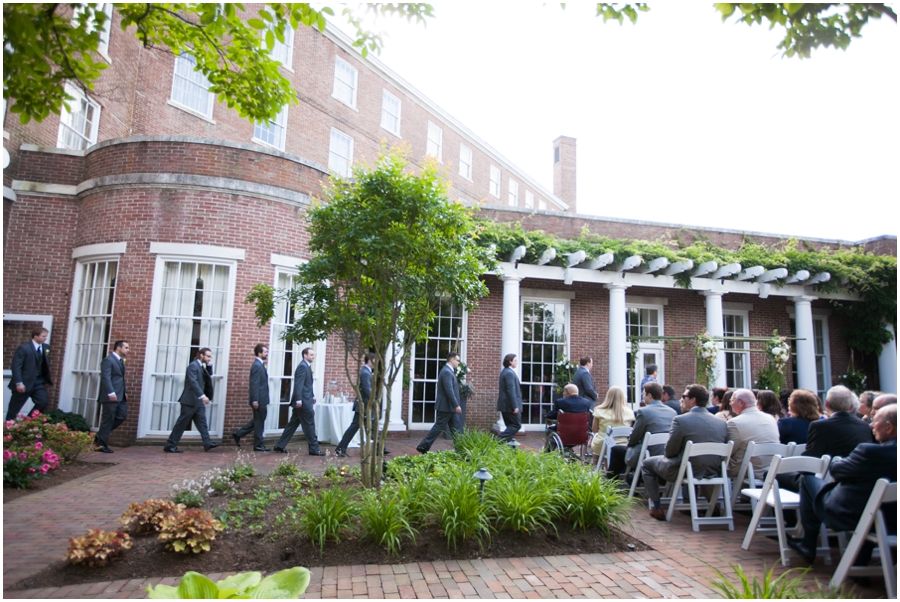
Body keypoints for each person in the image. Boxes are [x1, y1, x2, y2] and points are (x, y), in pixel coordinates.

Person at [787, 404, 897, 565]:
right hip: (890, 519)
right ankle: (859, 562)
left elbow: (837, 471)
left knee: (808, 480)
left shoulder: (870, 452)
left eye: (875, 421)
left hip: (851, 514)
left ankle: (807, 543)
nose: (871, 425)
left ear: (889, 427)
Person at [641, 384, 728, 520]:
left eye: (684, 397)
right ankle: (709, 505)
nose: (681, 400)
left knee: (646, 464)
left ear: (693, 400)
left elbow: (669, 451)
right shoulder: (721, 423)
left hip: (686, 469)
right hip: (713, 470)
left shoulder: (680, 420)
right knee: (692, 461)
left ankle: (657, 507)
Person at [606, 382, 676, 480]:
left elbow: (635, 437)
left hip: (647, 453)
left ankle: (611, 484)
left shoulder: (644, 411)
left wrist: (630, 442)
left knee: (616, 450)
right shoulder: (672, 412)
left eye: (644, 394)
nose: (643, 397)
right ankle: (635, 478)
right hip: (665, 453)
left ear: (650, 395)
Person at [164, 348, 221, 453]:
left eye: (210, 356)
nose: (210, 358)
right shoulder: (193, 366)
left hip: (197, 402)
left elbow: (209, 376)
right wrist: (202, 396)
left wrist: (208, 365)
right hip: (189, 400)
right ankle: (170, 445)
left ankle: (207, 443)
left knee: (202, 423)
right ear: (201, 355)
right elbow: (193, 382)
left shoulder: (201, 366)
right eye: (208, 356)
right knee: (181, 424)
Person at [335, 353, 391, 457]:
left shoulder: (368, 372)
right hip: (364, 406)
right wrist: (375, 404)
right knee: (355, 427)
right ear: (369, 360)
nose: (377, 363)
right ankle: (340, 448)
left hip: (365, 405)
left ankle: (381, 448)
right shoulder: (365, 373)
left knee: (372, 427)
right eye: (375, 361)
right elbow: (367, 390)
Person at [275, 347, 324, 455]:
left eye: (313, 354)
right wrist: (299, 400)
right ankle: (314, 449)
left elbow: (307, 385)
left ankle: (280, 445)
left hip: (306, 399)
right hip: (303, 402)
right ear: (305, 355)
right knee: (310, 424)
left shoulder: (307, 366)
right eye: (311, 355)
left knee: (292, 424)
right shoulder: (302, 366)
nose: (313, 356)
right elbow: (299, 385)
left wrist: (313, 395)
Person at [803, 385, 874, 459]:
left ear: (826, 404)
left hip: (833, 469)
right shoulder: (865, 426)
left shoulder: (819, 426)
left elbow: (811, 457)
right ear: (851, 406)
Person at [726, 389, 780, 478]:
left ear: (741, 403)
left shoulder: (735, 423)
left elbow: (728, 451)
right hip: (770, 469)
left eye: (732, 400)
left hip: (747, 470)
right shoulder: (770, 418)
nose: (730, 403)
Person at [416, 352, 463, 453]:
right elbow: (448, 390)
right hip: (446, 406)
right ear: (452, 360)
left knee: (456, 429)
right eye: (458, 360)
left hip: (449, 407)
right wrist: (456, 405)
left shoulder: (448, 371)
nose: (459, 363)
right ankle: (423, 446)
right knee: (439, 427)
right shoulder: (447, 372)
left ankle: (461, 450)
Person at [6, 327, 53, 420]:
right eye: (43, 336)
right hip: (24, 382)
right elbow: (16, 367)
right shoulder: (24, 348)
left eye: (46, 336)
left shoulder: (45, 347)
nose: (45, 338)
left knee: (43, 402)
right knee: (14, 408)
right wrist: (19, 382)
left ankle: (28, 421)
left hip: (38, 382)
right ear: (35, 336)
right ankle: (7, 428)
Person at [232, 344, 270, 452]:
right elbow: (254, 384)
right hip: (259, 399)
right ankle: (258, 444)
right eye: (265, 352)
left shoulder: (260, 365)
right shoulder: (257, 366)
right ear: (259, 353)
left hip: (262, 398)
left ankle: (238, 434)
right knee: (259, 422)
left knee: (259, 420)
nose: (267, 354)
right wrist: (255, 400)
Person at [94, 340, 130, 453]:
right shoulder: (108, 360)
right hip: (111, 396)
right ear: (118, 348)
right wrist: (111, 392)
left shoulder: (120, 361)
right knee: (108, 420)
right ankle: (101, 444)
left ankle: (100, 435)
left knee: (121, 416)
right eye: (126, 348)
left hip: (120, 395)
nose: (128, 350)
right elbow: (106, 377)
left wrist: (125, 391)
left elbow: (120, 379)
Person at [590, 386, 635, 461]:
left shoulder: (599, 411)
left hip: (602, 445)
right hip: (622, 445)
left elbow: (594, 430)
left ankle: (595, 467)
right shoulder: (630, 412)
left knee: (598, 443)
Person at [495, 353, 523, 443]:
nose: (517, 362)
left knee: (510, 426)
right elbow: (511, 391)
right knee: (516, 425)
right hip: (509, 406)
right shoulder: (509, 373)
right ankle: (497, 441)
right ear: (510, 362)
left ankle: (507, 446)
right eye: (515, 360)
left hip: (506, 405)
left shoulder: (505, 371)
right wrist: (515, 406)